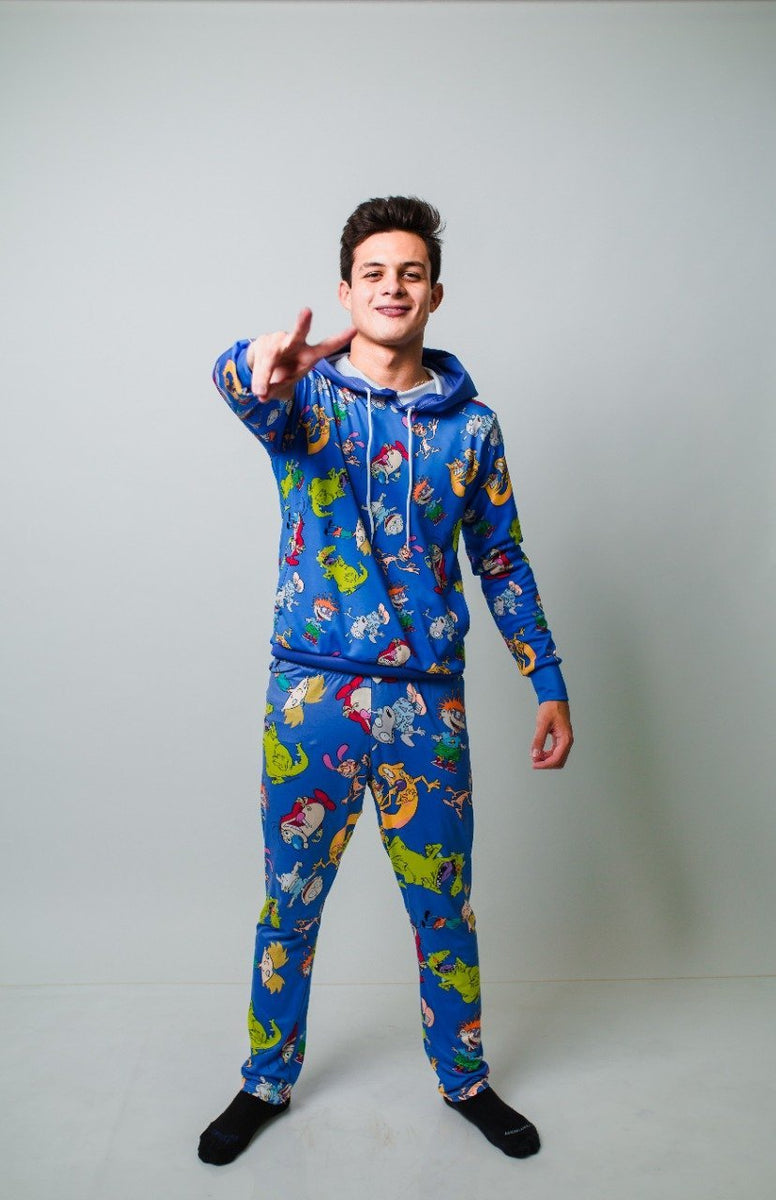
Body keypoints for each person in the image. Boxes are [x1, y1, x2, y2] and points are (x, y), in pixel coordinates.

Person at [199, 196, 573, 1166]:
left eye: (410, 272)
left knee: (443, 907)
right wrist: (257, 363)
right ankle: (264, 1080)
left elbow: (501, 560)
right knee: (289, 903)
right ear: (346, 290)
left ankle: (465, 1079)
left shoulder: (473, 427)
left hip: (425, 703)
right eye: (374, 272)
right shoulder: (304, 401)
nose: (392, 287)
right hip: (312, 697)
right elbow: (240, 385)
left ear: (434, 293)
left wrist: (546, 679)